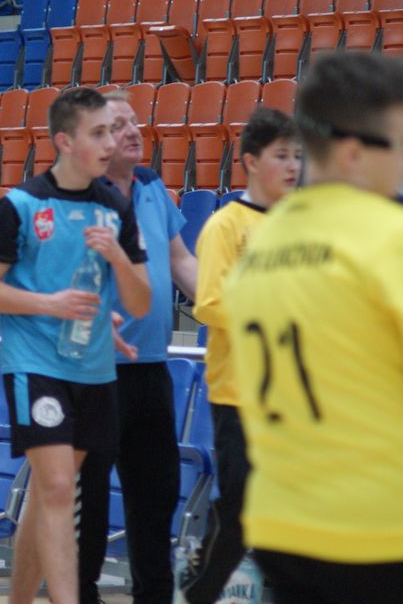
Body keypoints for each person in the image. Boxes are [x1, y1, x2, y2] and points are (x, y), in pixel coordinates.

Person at [223, 50, 403, 604]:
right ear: (354, 152)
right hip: (390, 530)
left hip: (285, 525)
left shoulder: (262, 244)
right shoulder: (398, 238)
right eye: (402, 140)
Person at [0, 86, 151, 604]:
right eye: (99, 133)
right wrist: (49, 304)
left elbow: (140, 303)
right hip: (35, 365)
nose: (111, 143)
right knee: (55, 490)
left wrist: (119, 258)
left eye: (111, 132)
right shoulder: (21, 206)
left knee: (51, 495)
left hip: (93, 370)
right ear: (65, 141)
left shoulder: (115, 208)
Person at [77, 91, 198, 604]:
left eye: (134, 122)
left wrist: (228, 306)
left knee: (156, 497)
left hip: (151, 370)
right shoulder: (79, 195)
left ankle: (155, 596)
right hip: (94, 372)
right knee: (90, 503)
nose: (133, 131)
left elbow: (181, 261)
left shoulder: (151, 186)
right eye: (118, 124)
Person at [179, 106, 302, 604]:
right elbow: (210, 303)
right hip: (240, 395)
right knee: (240, 514)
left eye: (297, 156)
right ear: (251, 162)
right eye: (281, 156)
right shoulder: (226, 226)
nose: (293, 166)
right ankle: (199, 589)